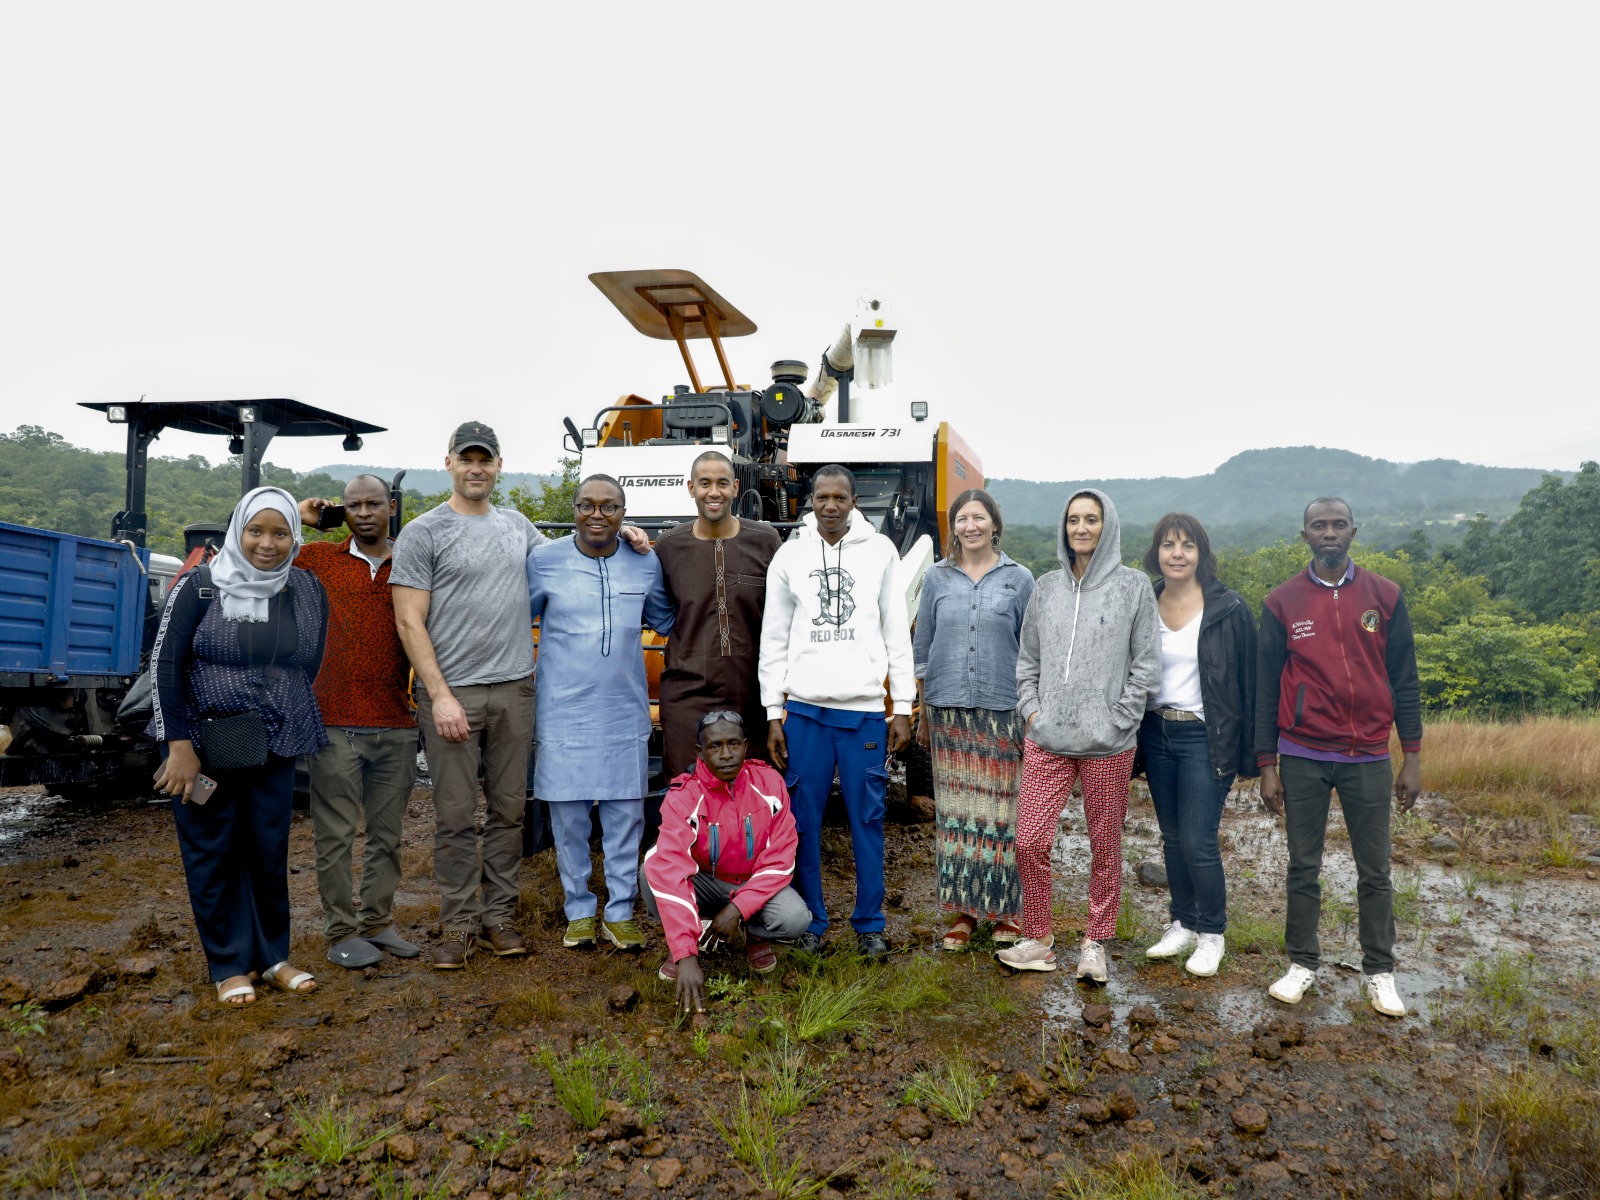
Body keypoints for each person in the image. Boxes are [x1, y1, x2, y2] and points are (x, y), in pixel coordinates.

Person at [148, 486, 329, 1006]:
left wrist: (275, 699)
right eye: (256, 530)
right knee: (212, 849)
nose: (267, 544)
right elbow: (164, 665)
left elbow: (308, 661)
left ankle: (272, 957)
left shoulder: (304, 589)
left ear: (294, 536)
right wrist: (178, 744)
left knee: (268, 849)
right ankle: (228, 963)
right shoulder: (201, 586)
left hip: (275, 738)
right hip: (204, 745)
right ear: (238, 531)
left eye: (280, 532)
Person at [1257, 497, 1422, 1018]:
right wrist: (1267, 763)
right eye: (1318, 526)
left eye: (1338, 525)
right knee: (1302, 867)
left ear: (1354, 531)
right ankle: (1302, 963)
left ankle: (1379, 972)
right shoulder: (1281, 602)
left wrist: (1411, 755)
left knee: (1374, 872)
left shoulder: (1386, 596)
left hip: (1369, 756)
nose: (1329, 533)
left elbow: (1405, 680)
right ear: (1304, 534)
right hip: (1303, 755)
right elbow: (1265, 689)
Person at [390, 422, 543, 969]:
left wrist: (630, 539)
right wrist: (441, 695)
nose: (476, 468)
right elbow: (409, 621)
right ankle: (457, 924)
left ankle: (499, 916)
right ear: (449, 462)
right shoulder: (424, 532)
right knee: (455, 816)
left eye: (487, 459)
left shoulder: (519, 527)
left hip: (513, 692)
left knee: (508, 812)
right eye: (467, 459)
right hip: (451, 696)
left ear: (499, 466)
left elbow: (568, 568)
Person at [999, 489, 1160, 979]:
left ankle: (1095, 942)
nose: (1082, 528)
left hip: (1109, 745)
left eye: (1092, 519)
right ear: (1064, 527)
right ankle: (1040, 938)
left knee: (1105, 846)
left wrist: (1120, 719)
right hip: (1047, 740)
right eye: (1074, 520)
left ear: (1107, 525)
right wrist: (1032, 712)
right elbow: (1027, 660)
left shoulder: (1133, 588)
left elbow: (1145, 664)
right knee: (1028, 841)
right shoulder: (1046, 588)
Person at [758, 465, 914, 959]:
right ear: (810, 500)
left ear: (853, 501)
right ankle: (813, 921)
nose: (830, 505)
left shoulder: (881, 552)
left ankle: (869, 925)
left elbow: (895, 633)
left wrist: (903, 706)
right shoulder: (790, 555)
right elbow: (774, 639)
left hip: (864, 713)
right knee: (803, 820)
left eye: (839, 497)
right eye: (821, 497)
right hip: (804, 712)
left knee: (867, 818)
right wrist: (773, 712)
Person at [527, 474, 674, 952]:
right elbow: (513, 619)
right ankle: (579, 911)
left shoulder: (643, 562)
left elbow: (666, 618)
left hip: (622, 710)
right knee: (567, 817)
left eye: (609, 506)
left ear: (624, 512)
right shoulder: (544, 560)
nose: (597, 514)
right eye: (586, 505)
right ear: (573, 509)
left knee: (625, 814)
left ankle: (620, 912)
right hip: (563, 709)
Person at [295, 477, 420, 970]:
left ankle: (377, 922)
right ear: (341, 512)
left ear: (391, 507)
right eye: (353, 506)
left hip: (396, 721)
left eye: (373, 504)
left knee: (387, 835)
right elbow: (246, 550)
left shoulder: (411, 561)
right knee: (336, 834)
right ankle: (341, 930)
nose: (364, 512)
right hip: (334, 722)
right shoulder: (318, 559)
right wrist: (295, 513)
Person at [911, 488, 1033, 951]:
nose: (971, 526)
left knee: (1001, 817)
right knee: (958, 817)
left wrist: (1030, 709)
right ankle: (962, 912)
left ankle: (1004, 914)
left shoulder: (1019, 579)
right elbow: (923, 650)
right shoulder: (937, 579)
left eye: (979, 517)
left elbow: (1032, 651)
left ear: (994, 524)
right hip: (948, 711)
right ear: (953, 526)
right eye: (963, 518)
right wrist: (923, 710)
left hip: (1003, 711)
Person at [1137, 513, 1257, 978]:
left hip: (1206, 736)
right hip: (1157, 731)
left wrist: (1253, 753)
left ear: (1201, 554)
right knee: (1170, 836)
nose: (1178, 554)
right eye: (1169, 545)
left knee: (1199, 839)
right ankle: (1182, 921)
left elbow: (1249, 681)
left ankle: (1212, 933)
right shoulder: (1145, 600)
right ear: (1157, 553)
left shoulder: (1228, 608)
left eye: (1188, 546)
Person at [642, 711, 811, 1011]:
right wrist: (686, 956)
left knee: (795, 917)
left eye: (734, 744)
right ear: (700, 752)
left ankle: (754, 935)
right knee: (651, 870)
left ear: (746, 746)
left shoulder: (770, 783)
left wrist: (738, 909)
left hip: (751, 881)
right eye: (715, 746)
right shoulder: (683, 796)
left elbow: (781, 857)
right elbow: (672, 870)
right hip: (705, 882)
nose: (726, 754)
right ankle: (686, 940)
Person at [653, 450, 783, 783]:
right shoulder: (668, 547)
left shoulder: (766, 541)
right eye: (705, 483)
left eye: (722, 483)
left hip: (751, 690)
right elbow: (658, 609)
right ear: (690, 487)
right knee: (685, 786)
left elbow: (783, 615)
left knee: (754, 785)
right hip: (687, 689)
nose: (714, 492)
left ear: (736, 487)